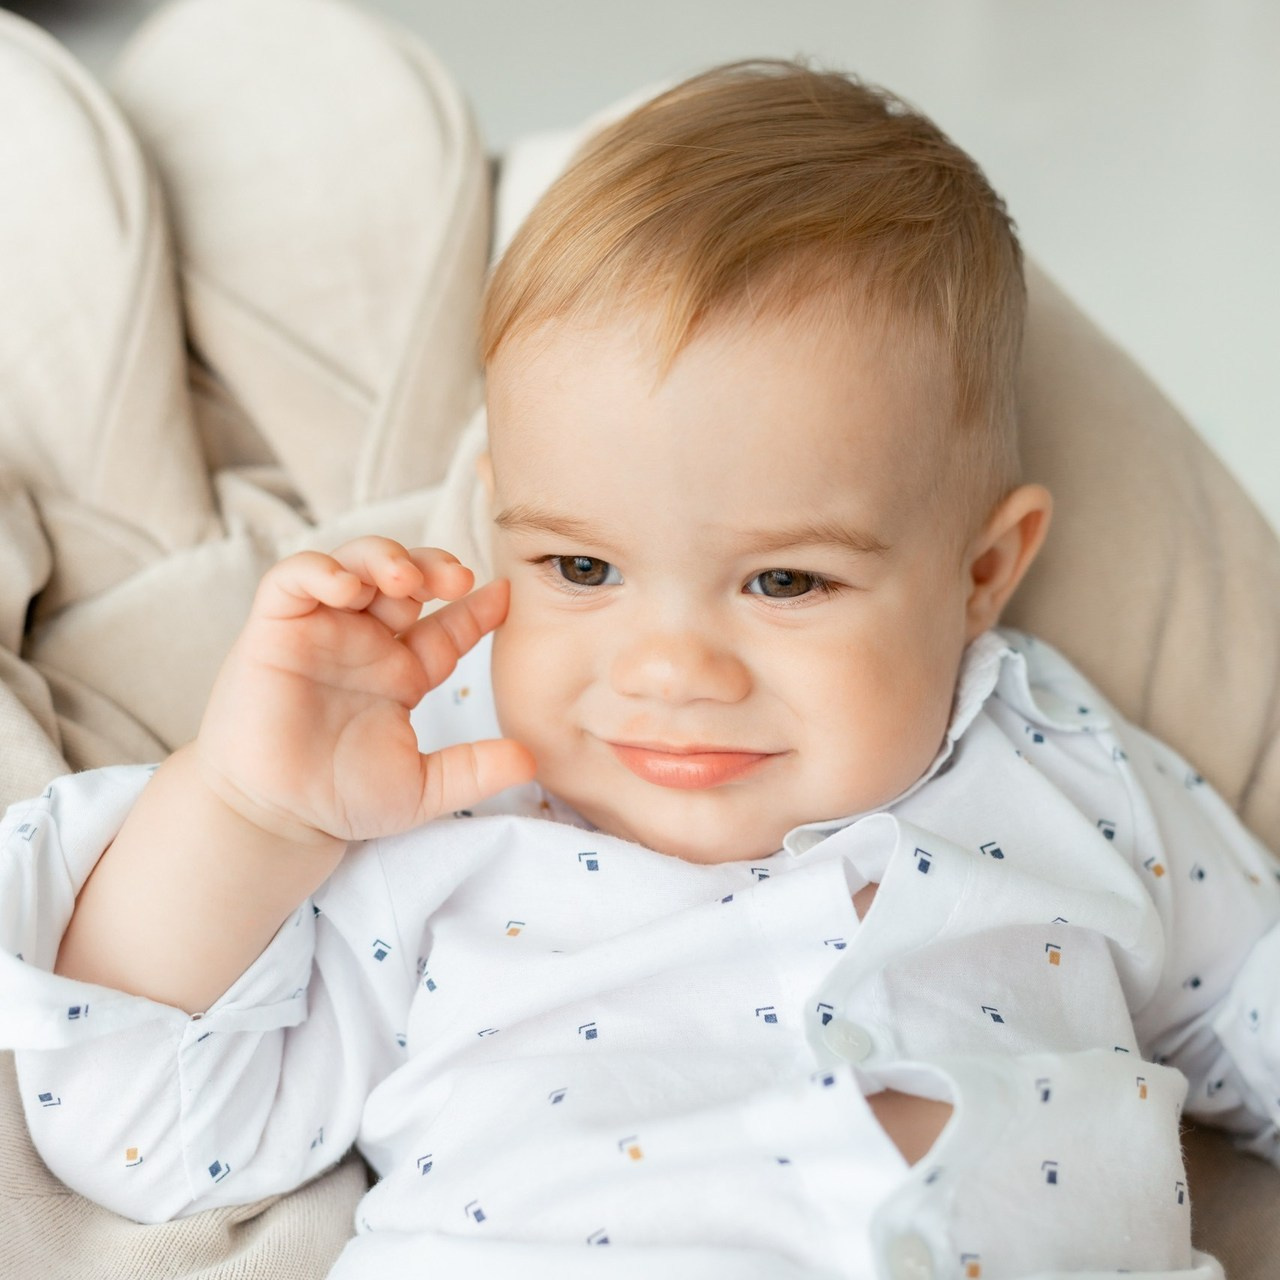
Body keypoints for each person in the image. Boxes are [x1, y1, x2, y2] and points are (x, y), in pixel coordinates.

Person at [3, 41, 1276, 1280]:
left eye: (785, 580)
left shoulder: (1064, 760)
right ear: (501, 520)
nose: (666, 668)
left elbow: (1252, 996)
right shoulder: (435, 784)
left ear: (981, 572)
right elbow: (148, 1125)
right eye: (581, 569)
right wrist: (246, 806)